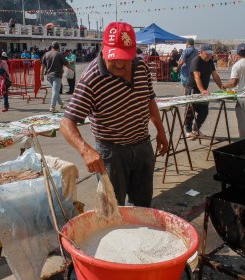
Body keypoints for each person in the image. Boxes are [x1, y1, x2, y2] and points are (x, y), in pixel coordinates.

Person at [60, 22, 168, 207]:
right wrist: (86, 151)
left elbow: (149, 100)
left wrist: (161, 131)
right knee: (113, 209)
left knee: (142, 206)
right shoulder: (91, 78)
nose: (120, 65)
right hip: (112, 153)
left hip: (142, 145)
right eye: (114, 58)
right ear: (103, 49)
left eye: (125, 59)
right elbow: (66, 123)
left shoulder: (141, 66)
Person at [184, 43, 223, 140]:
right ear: (201, 52)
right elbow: (197, 77)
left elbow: (215, 75)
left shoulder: (210, 61)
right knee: (190, 111)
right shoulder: (196, 61)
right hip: (193, 89)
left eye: (210, 53)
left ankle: (196, 129)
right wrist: (202, 90)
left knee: (204, 111)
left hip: (203, 91)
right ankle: (188, 131)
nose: (209, 55)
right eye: (207, 53)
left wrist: (222, 87)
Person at [41, 41, 74, 113]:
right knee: (55, 91)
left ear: (51, 46)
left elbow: (43, 65)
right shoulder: (59, 54)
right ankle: (52, 107)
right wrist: (71, 69)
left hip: (49, 76)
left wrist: (41, 75)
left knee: (55, 90)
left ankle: (61, 103)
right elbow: (66, 63)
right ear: (58, 47)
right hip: (57, 76)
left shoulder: (46, 54)